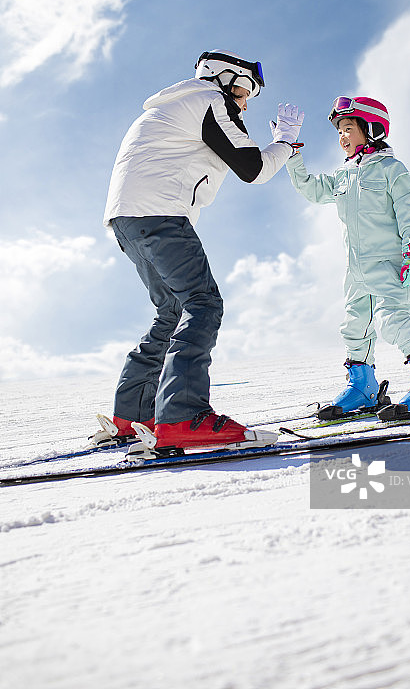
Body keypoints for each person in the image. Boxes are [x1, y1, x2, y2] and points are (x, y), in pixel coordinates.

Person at [96, 50, 304, 456]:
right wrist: (285, 144)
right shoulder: (208, 101)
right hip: (160, 215)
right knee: (203, 304)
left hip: (127, 220)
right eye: (244, 91)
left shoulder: (173, 106)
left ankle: (134, 416)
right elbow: (253, 168)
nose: (245, 102)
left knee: (171, 311)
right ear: (222, 79)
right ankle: (183, 416)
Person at [286, 95, 410, 414]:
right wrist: (290, 151)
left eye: (348, 128)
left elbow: (408, 209)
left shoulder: (391, 169)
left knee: (392, 320)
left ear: (372, 129)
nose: (342, 137)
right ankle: (362, 388)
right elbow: (309, 188)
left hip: (387, 264)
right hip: (355, 271)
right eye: (339, 131)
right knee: (355, 327)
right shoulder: (343, 176)